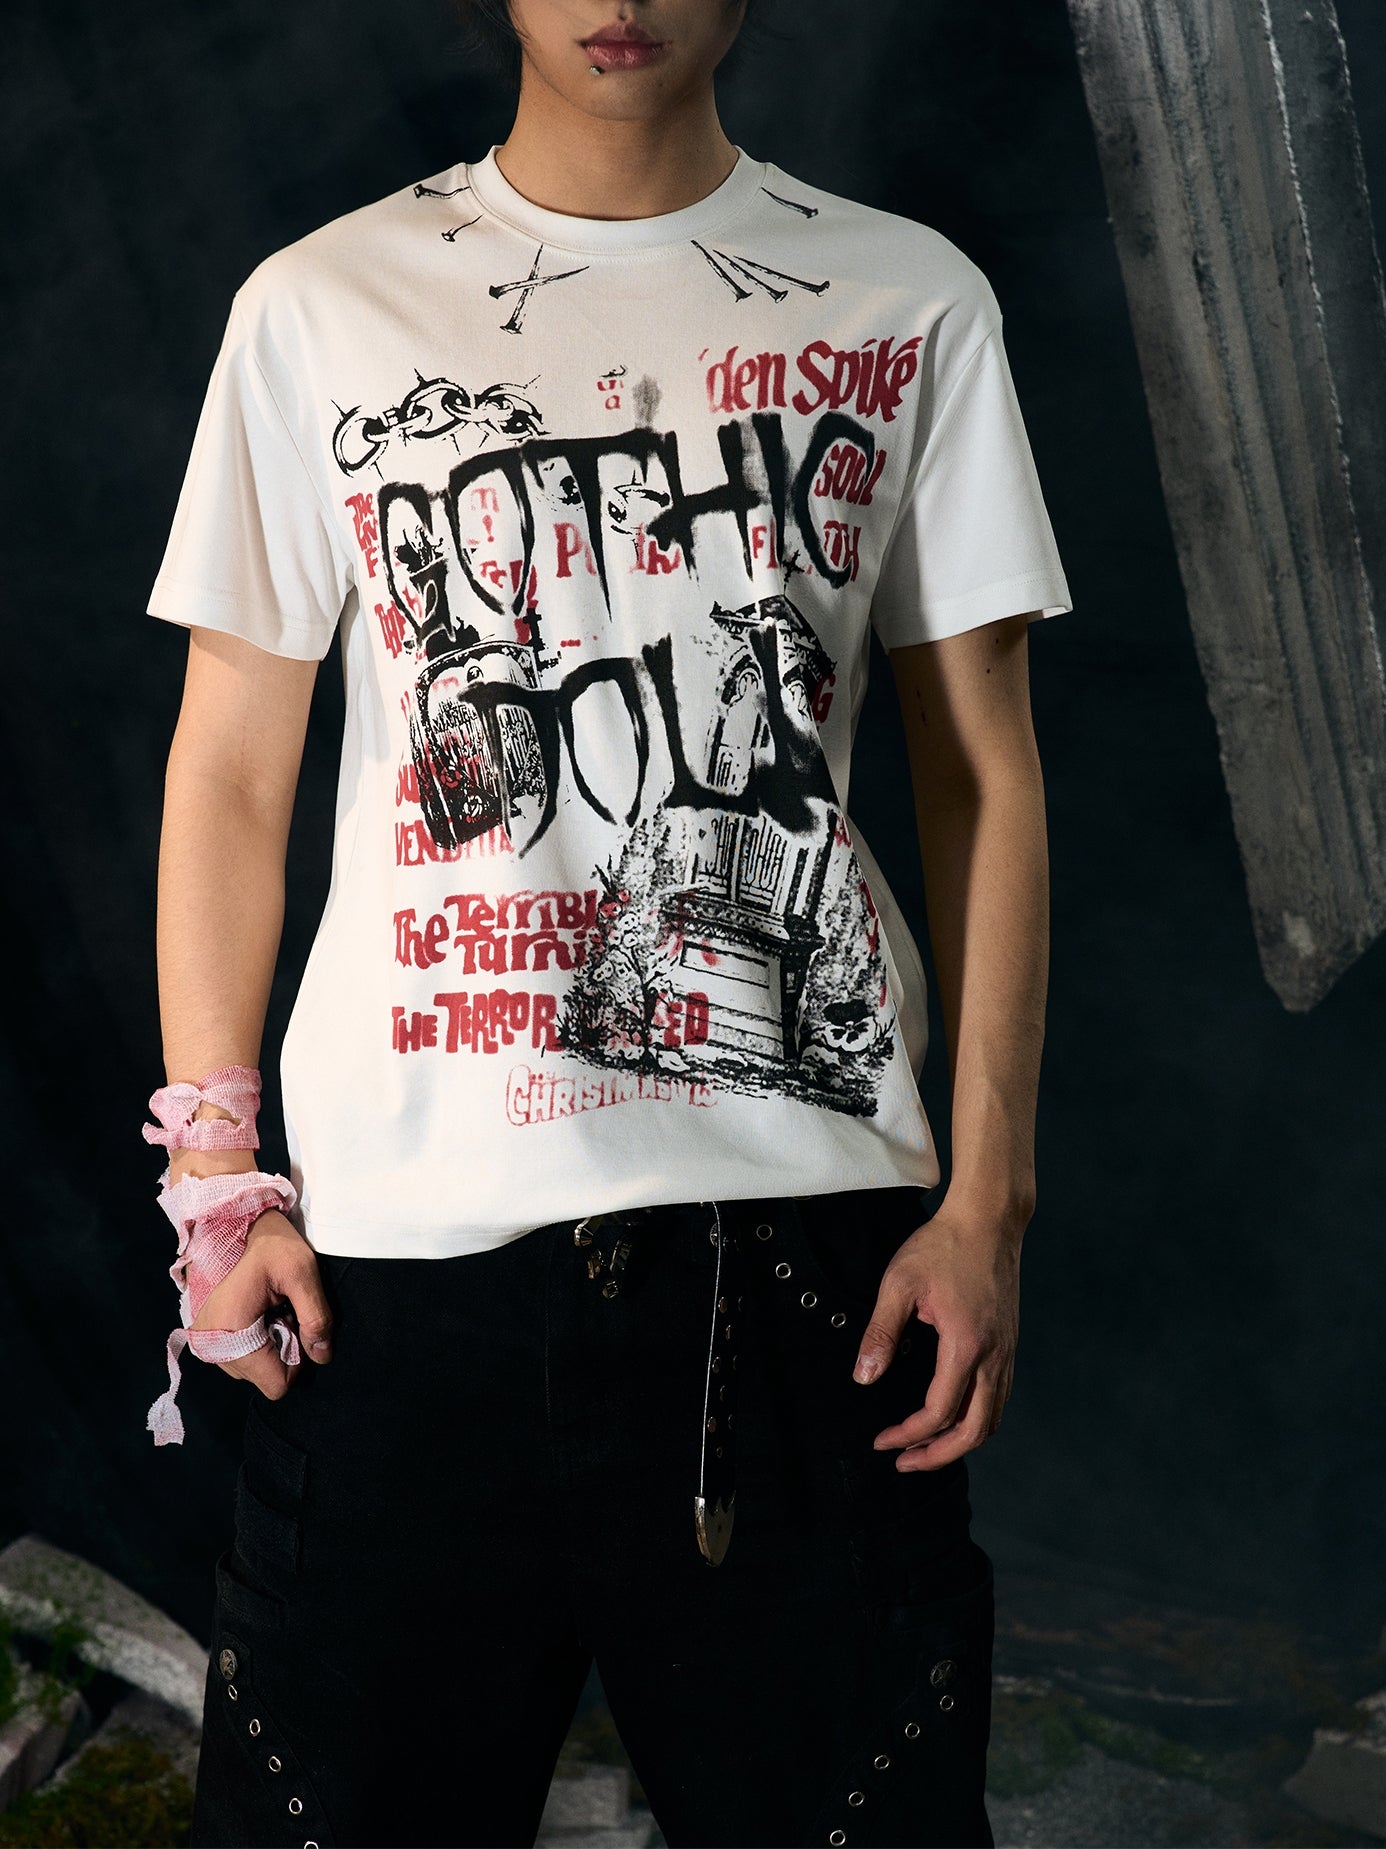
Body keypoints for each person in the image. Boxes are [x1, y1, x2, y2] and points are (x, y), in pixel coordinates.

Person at [144, 0, 1072, 1842]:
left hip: (800, 1268)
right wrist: (213, 1179)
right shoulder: (320, 306)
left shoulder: (905, 300)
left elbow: (982, 773)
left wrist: (987, 1203)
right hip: (401, 1276)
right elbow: (232, 763)